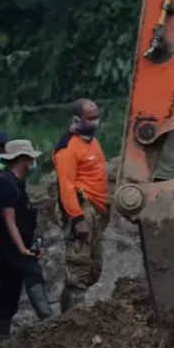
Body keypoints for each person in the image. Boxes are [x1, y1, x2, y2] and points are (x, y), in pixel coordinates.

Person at [0, 140, 54, 340]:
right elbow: (9, 221)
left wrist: (30, 245)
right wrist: (23, 250)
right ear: (23, 159)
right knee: (32, 271)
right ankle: (51, 323)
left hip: (15, 245)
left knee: (9, 294)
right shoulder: (4, 182)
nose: (33, 162)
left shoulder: (17, 183)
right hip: (6, 247)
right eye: (30, 158)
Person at [53, 99, 109, 313]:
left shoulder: (93, 142)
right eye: (89, 118)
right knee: (78, 266)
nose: (95, 122)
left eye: (96, 117)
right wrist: (77, 219)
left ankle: (75, 310)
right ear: (77, 119)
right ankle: (72, 318)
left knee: (94, 267)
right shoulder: (67, 149)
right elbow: (66, 188)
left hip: (97, 210)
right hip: (82, 209)